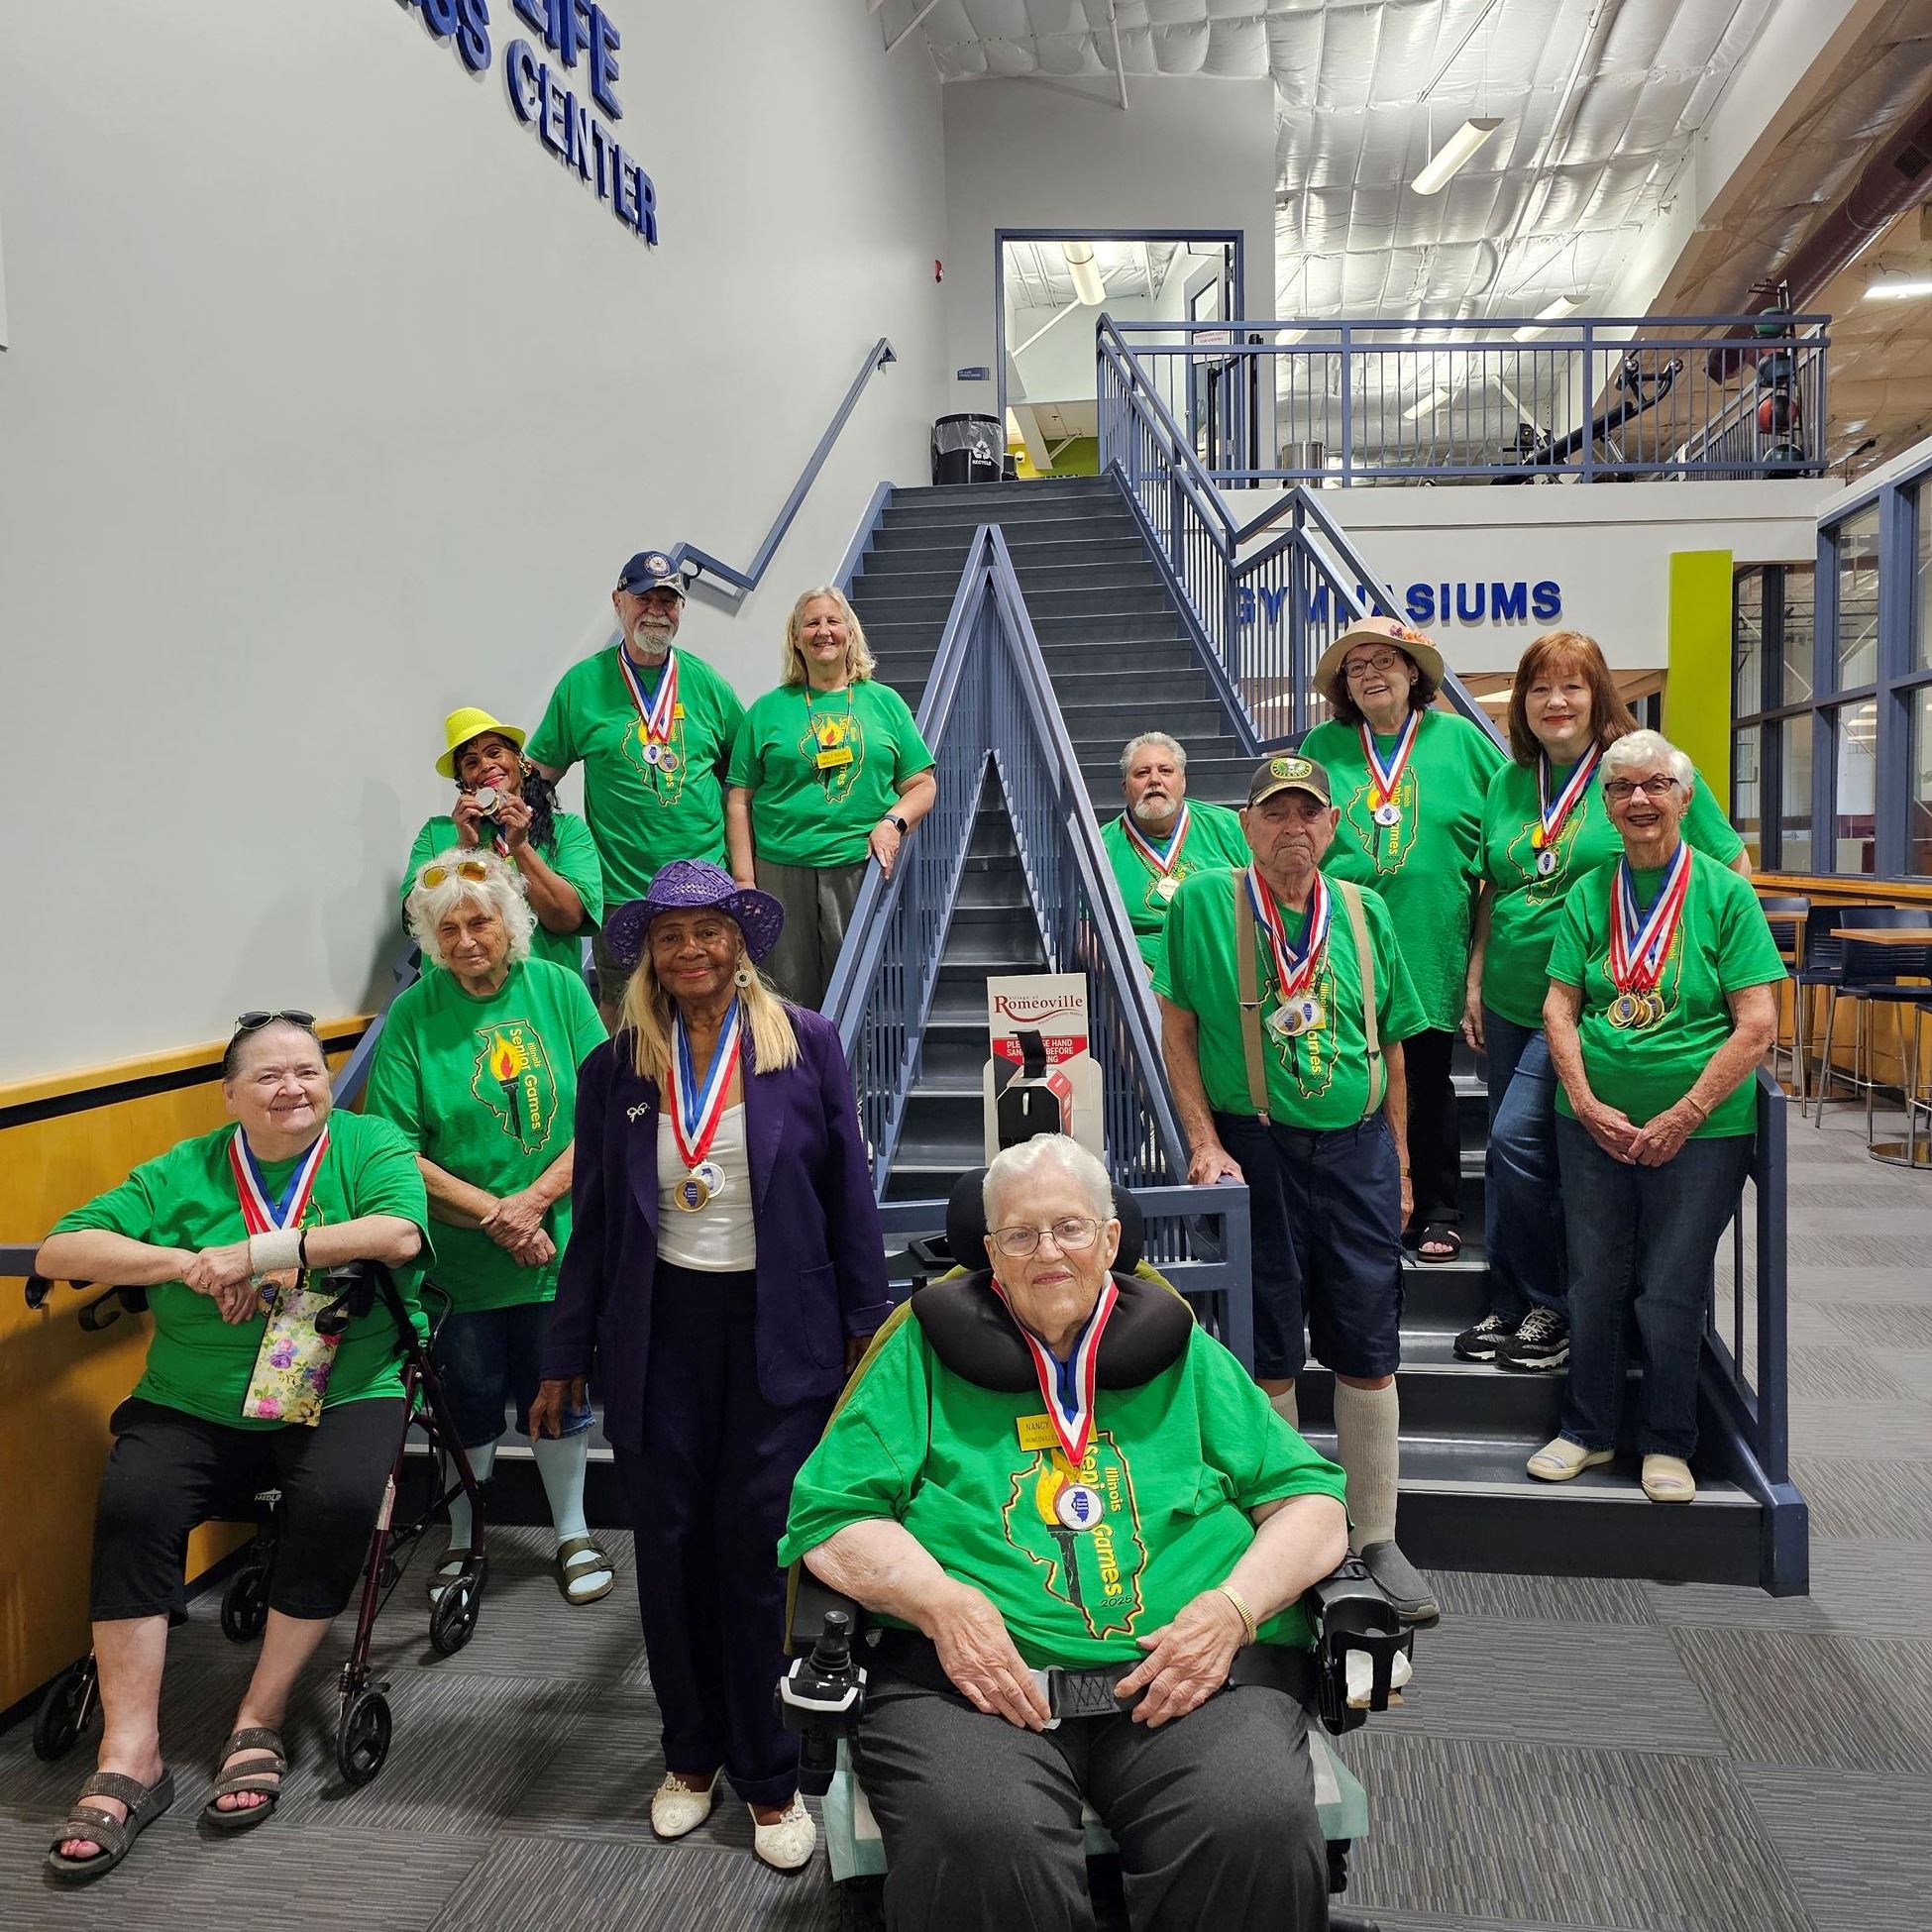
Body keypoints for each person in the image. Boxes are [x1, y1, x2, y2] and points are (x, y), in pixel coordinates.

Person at [781, 1133, 1349, 1932]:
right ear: (990, 1254)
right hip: (971, 1686)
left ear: (1111, 1239)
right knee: (982, 1839)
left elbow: (1312, 1504)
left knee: (1250, 1821)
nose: (1048, 1251)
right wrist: (941, 1604)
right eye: (1020, 1235)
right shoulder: (918, 1351)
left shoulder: (1184, 1350)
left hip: (1186, 1673)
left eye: (1071, 1228)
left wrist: (1234, 1608)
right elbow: (832, 1515)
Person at [530, 860, 892, 1870]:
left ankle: (770, 1780)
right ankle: (690, 1758)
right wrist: (564, 1352)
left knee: (758, 1552)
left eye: (709, 932)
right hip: (657, 1336)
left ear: (739, 943)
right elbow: (596, 1225)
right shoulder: (615, 1070)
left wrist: (870, 1326)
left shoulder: (805, 1043)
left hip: (781, 1332)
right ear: (650, 953)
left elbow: (847, 1195)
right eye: (672, 935)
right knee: (669, 1551)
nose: (691, 950)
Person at [37, 1016, 430, 1879]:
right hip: (194, 1397)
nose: (294, 1088)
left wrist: (262, 1251)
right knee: (134, 1501)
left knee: (337, 1501)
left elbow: (399, 1234)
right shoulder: (183, 1169)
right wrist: (188, 1264)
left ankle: (260, 1714)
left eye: (308, 1070)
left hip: (342, 1388)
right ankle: (131, 1753)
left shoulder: (367, 1144)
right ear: (229, 1096)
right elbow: (65, 1247)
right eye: (269, 1076)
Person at [1155, 754, 1436, 1625]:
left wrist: (1401, 1162)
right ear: (1245, 826)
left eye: (1308, 813)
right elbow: (1178, 1033)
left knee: (1368, 1343)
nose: (1293, 829)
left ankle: (1376, 1536)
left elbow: (1392, 1045)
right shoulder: (1204, 903)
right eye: (1275, 813)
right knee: (1269, 1344)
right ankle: (1288, 1535)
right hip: (1258, 1148)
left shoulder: (1364, 909)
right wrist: (1203, 1142)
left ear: (1332, 825)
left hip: (1358, 1152)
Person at [1458, 632, 1751, 1374]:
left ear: (1599, 697)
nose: (1555, 702)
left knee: (1519, 1143)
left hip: (1595, 1005)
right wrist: (1476, 977)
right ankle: (1513, 1300)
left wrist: (1710, 978)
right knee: (1513, 1155)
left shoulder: (1638, 772)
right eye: (1539, 689)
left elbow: (1731, 866)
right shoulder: (1508, 780)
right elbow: (1495, 886)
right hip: (1513, 998)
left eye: (1573, 686)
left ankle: (1555, 1307)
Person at [1529, 731, 1781, 1504]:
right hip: (1592, 1125)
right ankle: (1588, 1431)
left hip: (1702, 1132)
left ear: (1684, 796)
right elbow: (1559, 1006)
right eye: (1622, 788)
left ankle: (1669, 1440)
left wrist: (1686, 1112)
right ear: (1606, 806)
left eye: (1655, 785)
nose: (1638, 800)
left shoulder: (1724, 893)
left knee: (1670, 1288)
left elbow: (1758, 1023)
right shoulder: (1587, 892)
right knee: (1593, 1282)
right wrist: (1583, 1101)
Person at [365, 850, 612, 1606]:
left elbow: (604, 1113)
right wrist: (499, 1216)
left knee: (557, 1388)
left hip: (557, 1246)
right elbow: (394, 1149)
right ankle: (464, 1536)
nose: (467, 940)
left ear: (511, 922)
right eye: (449, 929)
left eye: (481, 921)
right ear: (430, 938)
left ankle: (572, 1530)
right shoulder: (414, 1013)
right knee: (465, 1402)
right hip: (460, 1260)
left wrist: (533, 1203)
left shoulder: (558, 989)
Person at [1301, 615, 1506, 1262]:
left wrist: (1479, 966)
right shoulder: (1323, 745)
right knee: (1347, 1078)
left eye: (1383, 661)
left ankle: (1438, 1208)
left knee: (1425, 1082)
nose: (1370, 675)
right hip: (1342, 945)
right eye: (1355, 667)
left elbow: (1507, 837)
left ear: (1412, 671)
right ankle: (1365, 1204)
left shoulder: (1462, 742)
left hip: (1430, 944)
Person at [528, 550, 747, 1018]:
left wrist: (744, 876)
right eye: (644, 598)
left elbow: (744, 780)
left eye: (668, 601)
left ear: (681, 609)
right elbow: (536, 779)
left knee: (712, 1009)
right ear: (618, 601)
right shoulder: (581, 685)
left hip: (705, 888)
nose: (656, 611)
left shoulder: (709, 684)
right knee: (624, 1013)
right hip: (621, 894)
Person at [724, 586, 936, 1009]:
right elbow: (738, 799)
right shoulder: (766, 710)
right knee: (784, 996)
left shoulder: (885, 703)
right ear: (796, 638)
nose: (824, 631)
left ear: (850, 633)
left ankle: (856, 1056)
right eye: (812, 623)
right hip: (781, 868)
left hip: (858, 864)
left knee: (860, 992)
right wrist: (745, 880)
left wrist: (892, 822)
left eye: (833, 621)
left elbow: (923, 784)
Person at [402, 706, 602, 977]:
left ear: (520, 761)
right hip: (458, 991)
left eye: (494, 752)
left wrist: (521, 847)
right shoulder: (437, 833)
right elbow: (416, 915)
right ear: (464, 783)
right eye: (471, 763)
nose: (485, 765)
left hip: (542, 988)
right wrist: (463, 849)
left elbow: (567, 919)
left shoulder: (568, 830)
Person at [1099, 731, 1251, 972]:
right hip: (1143, 974)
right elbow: (1087, 934)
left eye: (1165, 771)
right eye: (1142, 773)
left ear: (1183, 781)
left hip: (1227, 966)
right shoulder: (1102, 846)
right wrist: (1130, 975)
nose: (1154, 780)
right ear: (1125, 787)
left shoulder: (1230, 828)